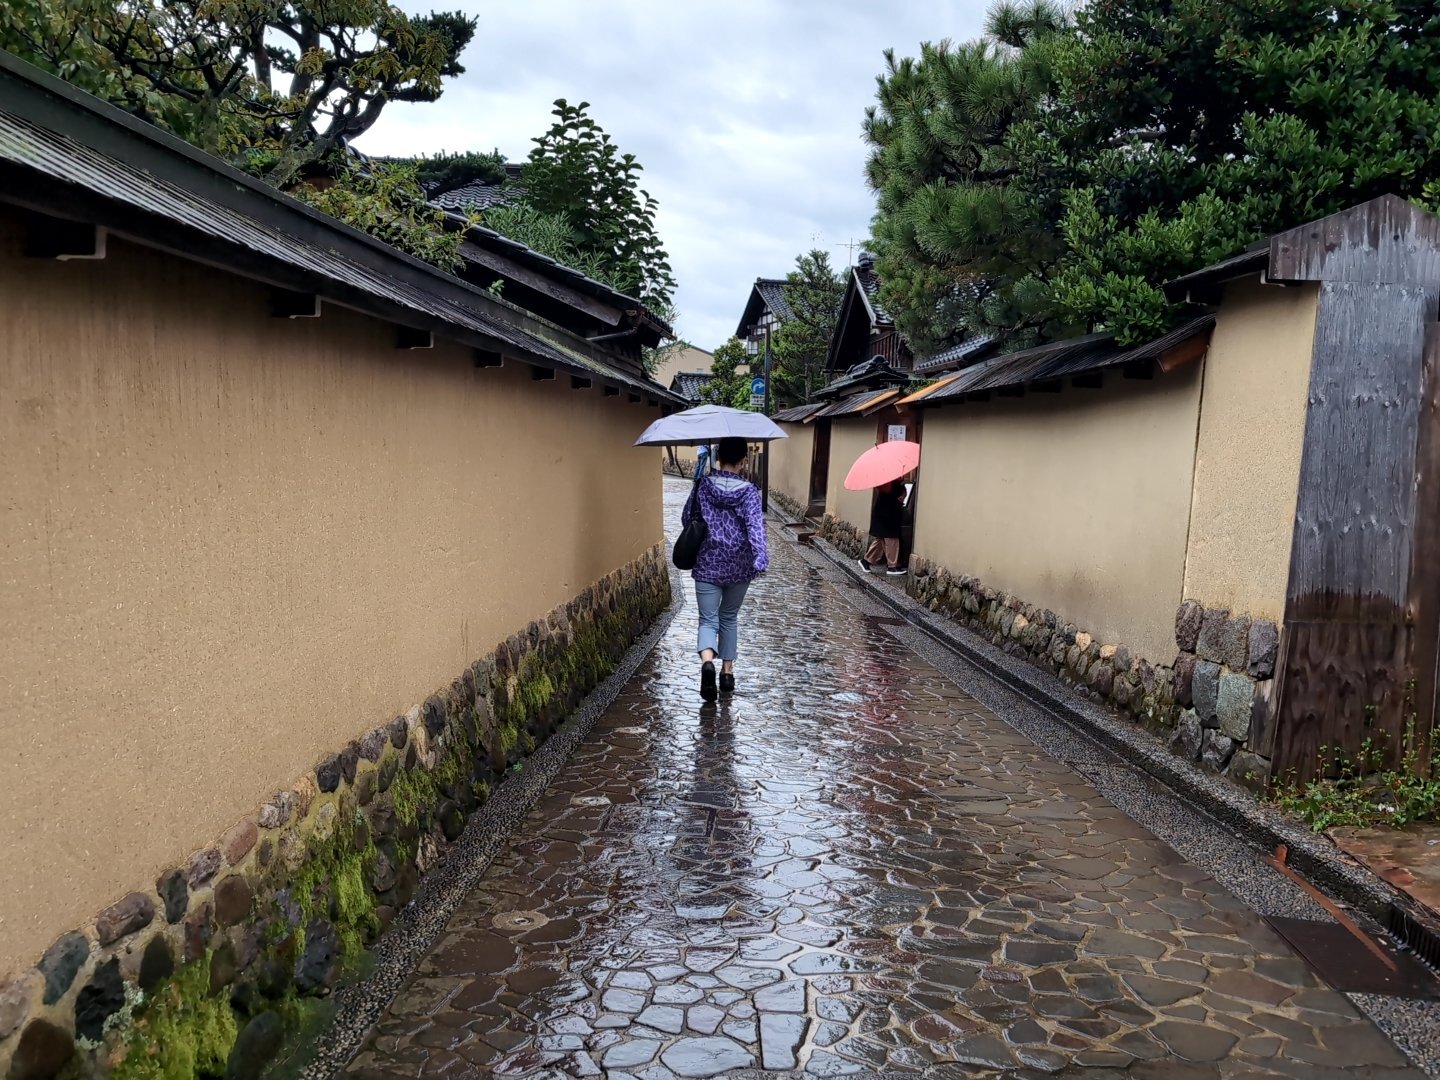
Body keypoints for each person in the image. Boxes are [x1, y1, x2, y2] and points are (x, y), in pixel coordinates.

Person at [681, 437, 768, 701]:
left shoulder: (703, 486)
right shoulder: (750, 491)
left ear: (718, 457)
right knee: (729, 616)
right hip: (739, 565)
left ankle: (707, 661)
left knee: (708, 619)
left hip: (708, 561)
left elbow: (687, 518)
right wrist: (760, 558)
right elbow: (755, 527)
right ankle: (727, 673)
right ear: (744, 459)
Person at [860, 479, 907, 575]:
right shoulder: (886, 481)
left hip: (887, 511)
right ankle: (892, 567)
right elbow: (891, 492)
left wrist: (902, 490)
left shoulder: (894, 481)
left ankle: (866, 560)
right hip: (886, 513)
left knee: (881, 539)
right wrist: (901, 491)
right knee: (891, 539)